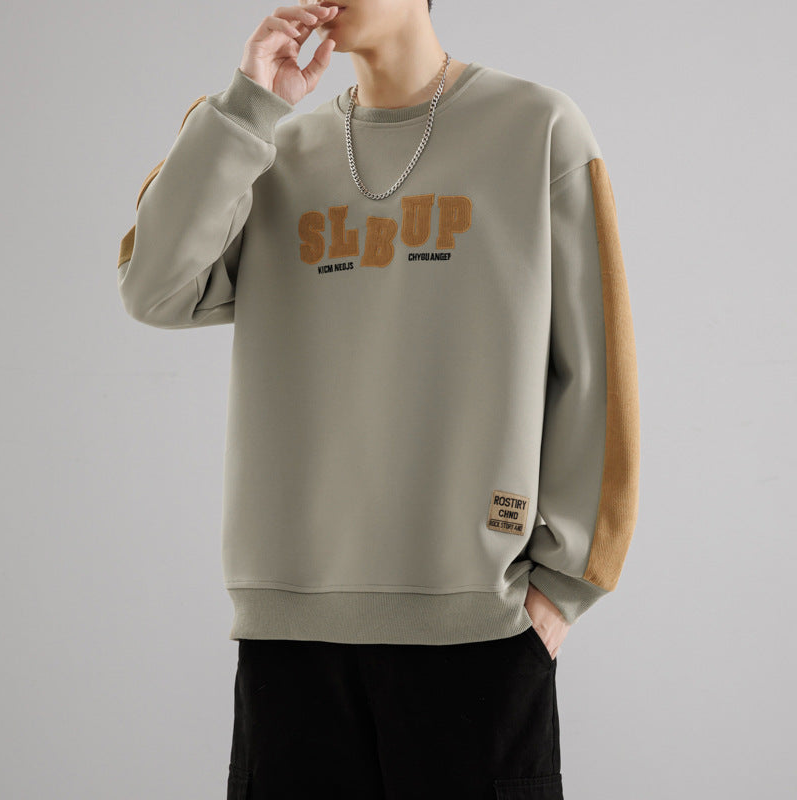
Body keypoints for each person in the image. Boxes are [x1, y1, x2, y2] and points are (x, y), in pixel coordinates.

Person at [116, 1, 640, 798]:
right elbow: (152, 286)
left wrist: (563, 589)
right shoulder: (271, 149)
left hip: (478, 634)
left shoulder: (537, 130)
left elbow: (598, 370)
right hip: (289, 640)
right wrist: (248, 106)